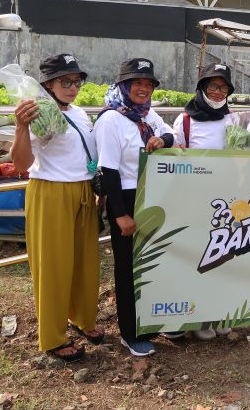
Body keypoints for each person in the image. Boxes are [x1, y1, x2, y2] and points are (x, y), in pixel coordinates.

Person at [10, 54, 102, 362]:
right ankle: (52, 336)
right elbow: (21, 163)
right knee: (53, 266)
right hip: (51, 191)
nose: (73, 87)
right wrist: (20, 127)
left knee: (84, 262)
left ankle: (82, 318)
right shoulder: (38, 113)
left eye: (77, 81)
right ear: (47, 84)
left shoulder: (80, 113)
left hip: (84, 192)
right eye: (65, 81)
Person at [94, 58, 175, 356]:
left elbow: (171, 134)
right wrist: (120, 215)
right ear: (124, 86)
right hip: (126, 198)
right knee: (128, 268)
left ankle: (153, 321)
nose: (143, 88)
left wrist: (161, 138)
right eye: (137, 83)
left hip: (152, 196)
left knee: (153, 261)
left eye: (148, 84)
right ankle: (130, 331)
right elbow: (109, 171)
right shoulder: (110, 120)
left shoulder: (149, 115)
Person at [171, 62, 235, 340]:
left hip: (228, 200)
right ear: (202, 87)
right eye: (213, 86)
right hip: (195, 201)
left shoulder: (232, 120)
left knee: (226, 256)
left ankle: (220, 311)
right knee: (199, 257)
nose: (218, 92)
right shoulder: (184, 119)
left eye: (223, 88)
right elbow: (175, 157)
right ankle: (198, 317)